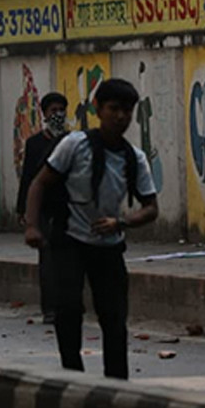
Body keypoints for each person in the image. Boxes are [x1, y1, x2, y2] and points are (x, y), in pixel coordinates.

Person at [24, 79, 159, 380]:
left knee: (114, 318)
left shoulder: (133, 158)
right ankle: (72, 375)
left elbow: (151, 208)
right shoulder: (75, 145)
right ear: (98, 108)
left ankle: (117, 382)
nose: (120, 117)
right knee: (68, 308)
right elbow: (39, 182)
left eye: (126, 111)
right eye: (114, 109)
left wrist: (121, 222)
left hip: (109, 245)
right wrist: (32, 226)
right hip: (70, 238)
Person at [16, 92, 70, 324]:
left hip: (68, 208)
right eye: (53, 111)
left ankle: (67, 305)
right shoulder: (36, 143)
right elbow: (29, 178)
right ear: (45, 114)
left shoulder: (72, 140)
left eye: (61, 110)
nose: (57, 114)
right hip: (44, 208)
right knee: (47, 260)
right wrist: (25, 212)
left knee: (68, 260)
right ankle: (50, 308)